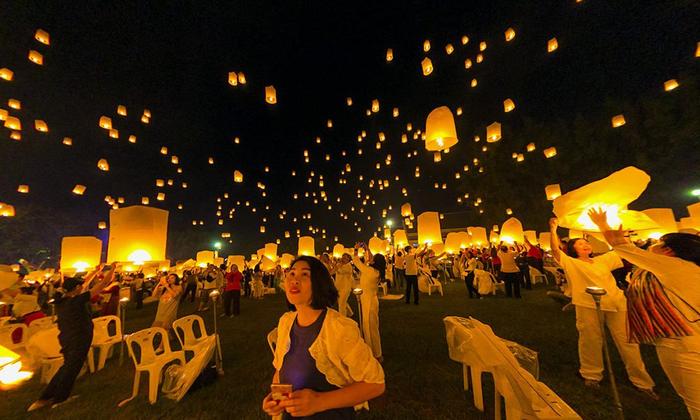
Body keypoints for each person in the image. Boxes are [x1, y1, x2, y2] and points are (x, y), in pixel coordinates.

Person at [589, 208, 700, 417]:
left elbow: (626, 249)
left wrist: (604, 226)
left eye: (658, 243)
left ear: (669, 251)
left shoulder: (678, 267)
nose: (652, 246)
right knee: (689, 400)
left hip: (688, 345)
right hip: (674, 341)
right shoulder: (665, 270)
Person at [262, 256, 385, 418]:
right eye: (291, 274)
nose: (294, 280)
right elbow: (280, 369)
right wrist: (276, 401)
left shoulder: (339, 328)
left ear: (318, 283)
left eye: (304, 275)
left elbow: (376, 384)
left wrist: (319, 401)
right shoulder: (286, 322)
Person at [549, 217, 657, 397]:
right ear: (572, 249)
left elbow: (621, 251)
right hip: (588, 305)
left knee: (628, 342)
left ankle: (642, 382)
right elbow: (555, 250)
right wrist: (553, 230)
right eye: (580, 243)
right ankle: (591, 374)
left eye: (586, 242)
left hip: (616, 304)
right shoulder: (571, 263)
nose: (585, 245)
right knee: (590, 340)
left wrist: (621, 236)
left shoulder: (603, 261)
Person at [28, 263, 116, 411]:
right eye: (79, 287)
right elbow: (102, 285)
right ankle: (60, 399)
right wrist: (112, 269)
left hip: (67, 338)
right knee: (71, 369)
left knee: (66, 367)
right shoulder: (76, 301)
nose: (82, 287)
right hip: (78, 338)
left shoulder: (63, 301)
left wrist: (95, 271)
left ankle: (45, 398)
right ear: (75, 290)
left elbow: (82, 283)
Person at [352, 244, 383, 360]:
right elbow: (367, 260)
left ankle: (374, 354)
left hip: (368, 302)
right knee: (371, 327)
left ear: (376, 262)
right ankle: (375, 352)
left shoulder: (369, 271)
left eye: (373, 258)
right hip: (371, 300)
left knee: (369, 327)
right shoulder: (375, 271)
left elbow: (356, 261)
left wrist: (356, 250)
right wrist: (367, 249)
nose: (371, 258)